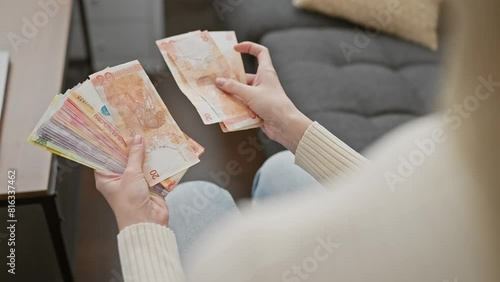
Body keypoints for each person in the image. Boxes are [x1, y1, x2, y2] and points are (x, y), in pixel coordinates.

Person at [94, 0, 500, 280]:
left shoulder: (247, 257)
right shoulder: (453, 166)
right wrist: (288, 123)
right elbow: (409, 206)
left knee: (187, 200)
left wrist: (139, 226)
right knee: (282, 166)